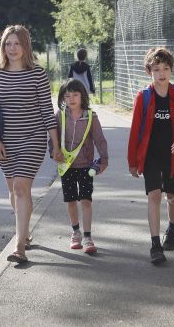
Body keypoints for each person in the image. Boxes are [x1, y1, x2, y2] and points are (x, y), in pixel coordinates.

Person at [0, 25, 62, 264]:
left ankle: (19, 247)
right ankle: (25, 233)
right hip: (5, 142)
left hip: (33, 139)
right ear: (3, 47)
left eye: (17, 43)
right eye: (8, 44)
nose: (12, 48)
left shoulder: (37, 73)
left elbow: (47, 112)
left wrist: (55, 145)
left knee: (20, 187)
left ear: (25, 46)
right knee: (14, 191)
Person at [127, 47, 174, 265]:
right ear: (149, 72)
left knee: (171, 196)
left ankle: (172, 228)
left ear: (171, 70)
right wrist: (133, 161)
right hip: (150, 156)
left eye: (165, 68)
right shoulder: (143, 97)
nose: (161, 73)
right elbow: (135, 130)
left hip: (172, 155)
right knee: (154, 196)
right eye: (156, 69)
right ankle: (155, 244)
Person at [52, 78, 109, 253]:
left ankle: (88, 237)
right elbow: (52, 138)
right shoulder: (60, 116)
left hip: (86, 166)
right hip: (66, 166)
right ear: (62, 98)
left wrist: (104, 159)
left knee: (85, 200)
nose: (71, 99)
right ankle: (75, 231)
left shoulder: (90, 116)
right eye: (67, 96)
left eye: (75, 95)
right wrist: (54, 153)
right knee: (70, 201)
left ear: (82, 96)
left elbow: (99, 139)